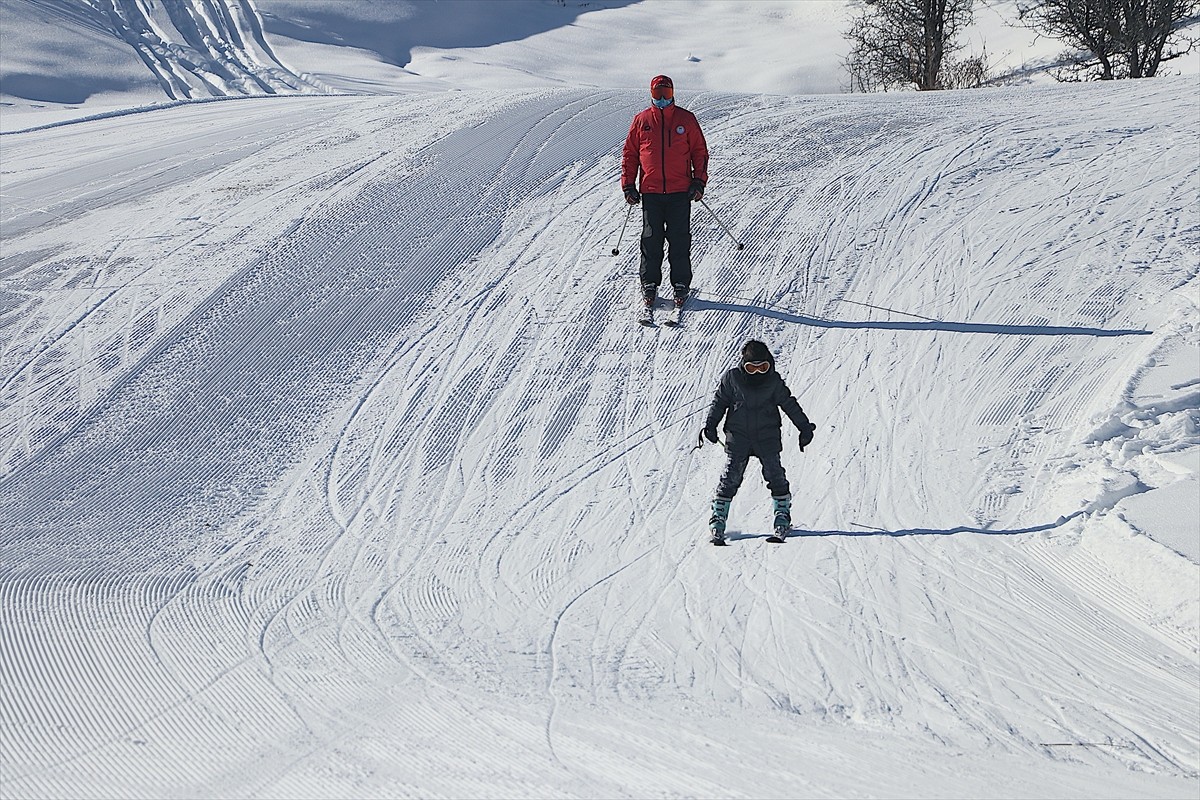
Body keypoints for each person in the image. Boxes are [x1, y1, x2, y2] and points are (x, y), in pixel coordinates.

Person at [701, 340, 816, 545]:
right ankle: (718, 518)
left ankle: (782, 516)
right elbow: (719, 402)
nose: (757, 373)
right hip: (739, 437)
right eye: (751, 368)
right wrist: (711, 425)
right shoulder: (732, 379)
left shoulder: (773, 381)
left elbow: (789, 403)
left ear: (769, 364)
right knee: (731, 477)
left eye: (762, 367)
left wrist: (804, 427)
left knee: (775, 475)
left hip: (767, 436)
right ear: (742, 365)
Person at [621, 75, 708, 323]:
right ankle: (649, 283)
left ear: (673, 94)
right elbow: (630, 154)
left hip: (680, 191)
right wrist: (628, 184)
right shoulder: (642, 121)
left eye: (666, 95)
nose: (662, 100)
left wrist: (698, 181)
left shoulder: (686, 119)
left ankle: (680, 282)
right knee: (651, 238)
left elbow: (699, 152)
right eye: (658, 95)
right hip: (651, 191)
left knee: (679, 238)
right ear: (651, 94)